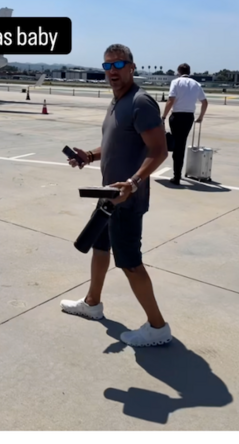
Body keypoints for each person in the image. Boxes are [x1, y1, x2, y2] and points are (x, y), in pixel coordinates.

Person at [60, 44, 172, 347]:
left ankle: (158, 327)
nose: (112, 71)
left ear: (132, 67)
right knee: (99, 247)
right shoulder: (116, 102)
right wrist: (89, 156)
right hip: (108, 195)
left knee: (130, 263)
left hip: (126, 198)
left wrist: (133, 183)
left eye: (119, 65)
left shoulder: (140, 102)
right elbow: (113, 146)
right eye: (107, 66)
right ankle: (92, 303)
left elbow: (159, 150)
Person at [162, 63, 208, 185]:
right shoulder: (196, 84)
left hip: (176, 116)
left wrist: (163, 116)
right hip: (188, 117)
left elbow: (171, 100)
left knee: (177, 145)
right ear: (189, 71)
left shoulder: (176, 82)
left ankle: (176, 176)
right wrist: (200, 117)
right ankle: (178, 174)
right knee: (181, 144)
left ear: (178, 71)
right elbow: (204, 102)